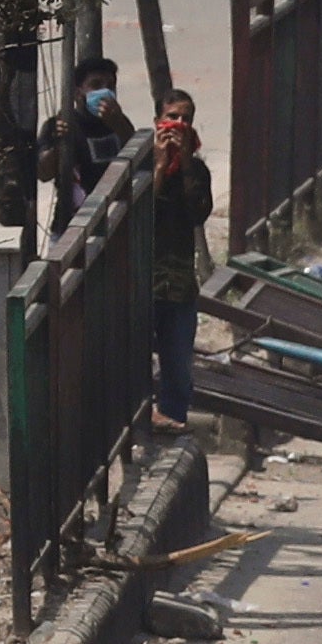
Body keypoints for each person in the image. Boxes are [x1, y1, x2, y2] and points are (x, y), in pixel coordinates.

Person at [140, 93, 212, 429]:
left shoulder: (196, 170)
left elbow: (197, 212)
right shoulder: (141, 164)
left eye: (186, 119)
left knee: (178, 371)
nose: (179, 125)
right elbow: (140, 215)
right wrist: (158, 166)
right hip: (144, 284)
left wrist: (183, 164)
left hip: (179, 286)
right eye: (172, 117)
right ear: (158, 122)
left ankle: (173, 425)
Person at [40, 54, 136, 230]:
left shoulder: (119, 123)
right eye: (96, 85)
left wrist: (119, 124)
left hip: (116, 223)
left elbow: (138, 157)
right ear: (78, 92)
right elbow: (44, 173)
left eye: (110, 86)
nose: (105, 91)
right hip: (72, 224)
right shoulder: (62, 124)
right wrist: (58, 145)